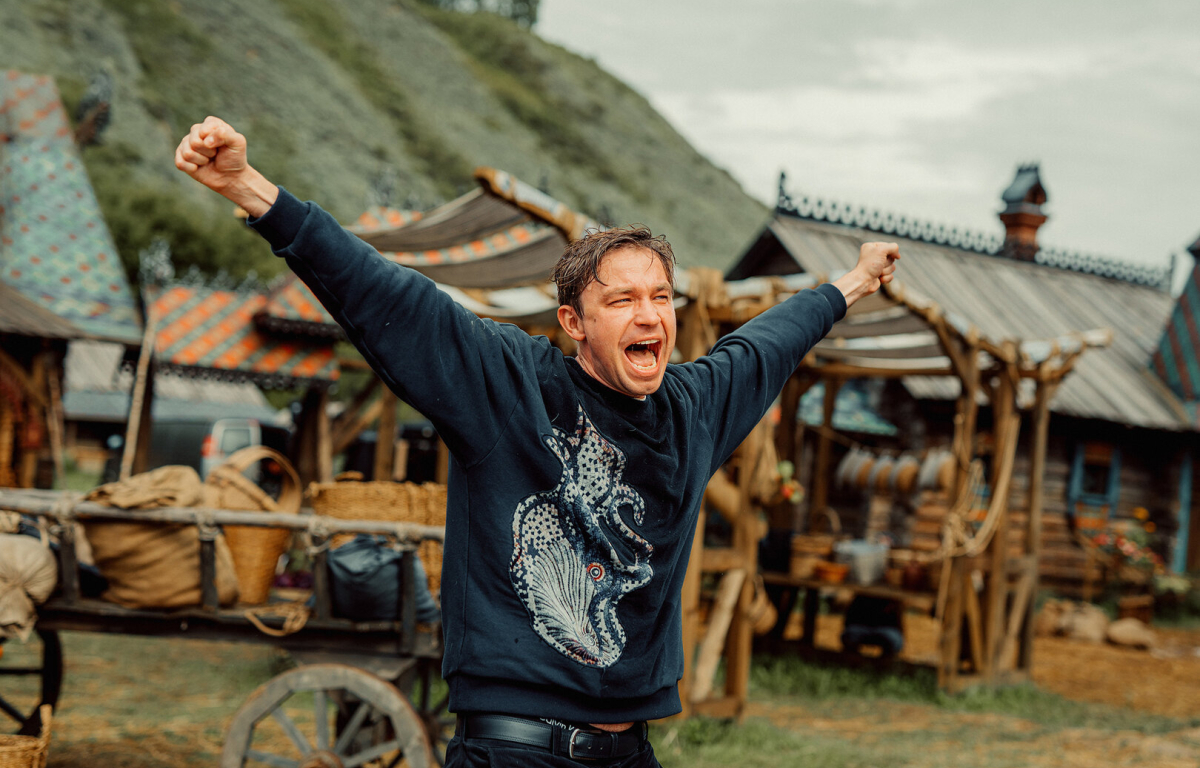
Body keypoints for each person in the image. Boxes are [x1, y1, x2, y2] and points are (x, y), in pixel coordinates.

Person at [175, 116, 899, 767]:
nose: (649, 314)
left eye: (660, 297)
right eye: (622, 299)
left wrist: (853, 283)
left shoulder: (692, 410)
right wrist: (250, 189)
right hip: (516, 748)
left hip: (630, 749)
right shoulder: (512, 386)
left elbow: (770, 342)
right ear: (574, 323)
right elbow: (388, 294)